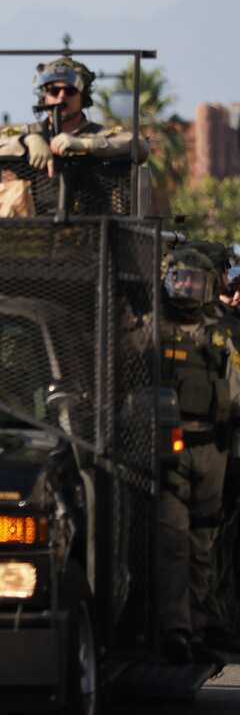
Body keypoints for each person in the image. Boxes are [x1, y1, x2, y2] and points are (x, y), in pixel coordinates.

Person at [157, 246, 240, 664]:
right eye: (180, 279)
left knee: (203, 540)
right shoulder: (154, 328)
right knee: (173, 540)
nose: (185, 288)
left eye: (193, 281)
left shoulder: (222, 332)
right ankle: (176, 628)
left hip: (213, 446)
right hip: (171, 448)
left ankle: (200, 623)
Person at [0, 57, 137, 172]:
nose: (61, 97)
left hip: (92, 212)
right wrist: (28, 141)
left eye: (70, 91)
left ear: (82, 97)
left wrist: (85, 144)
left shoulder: (98, 133)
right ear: (44, 97)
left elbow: (138, 145)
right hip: (38, 211)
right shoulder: (30, 132)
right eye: (54, 91)